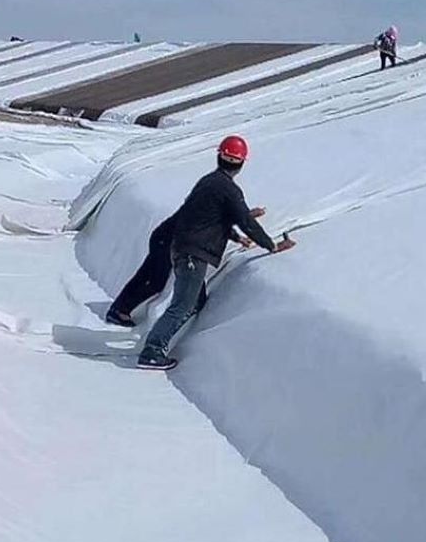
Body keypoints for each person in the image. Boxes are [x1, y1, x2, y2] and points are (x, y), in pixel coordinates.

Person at [137, 135, 296, 370]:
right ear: (241, 163)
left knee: (194, 302)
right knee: (182, 305)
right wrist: (271, 245)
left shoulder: (207, 183)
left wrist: (236, 236)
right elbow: (244, 220)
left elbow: (210, 218)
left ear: (219, 156)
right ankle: (152, 351)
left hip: (182, 249)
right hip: (194, 254)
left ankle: (164, 343)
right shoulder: (228, 190)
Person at [105, 207, 263, 327]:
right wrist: (240, 236)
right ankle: (120, 310)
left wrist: (245, 218)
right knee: (155, 283)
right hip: (167, 242)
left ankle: (118, 309)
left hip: (162, 236)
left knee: (144, 275)